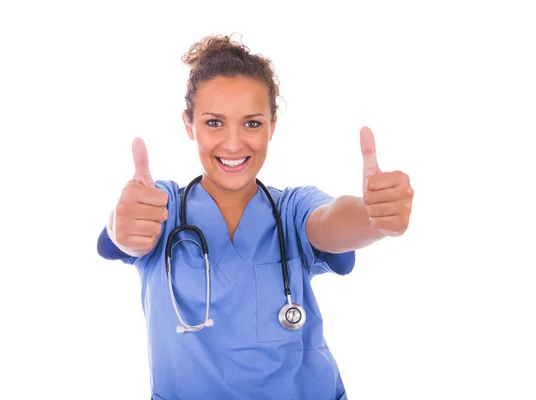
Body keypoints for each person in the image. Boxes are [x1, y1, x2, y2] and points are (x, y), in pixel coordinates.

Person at [97, 34, 414, 400]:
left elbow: (332, 221)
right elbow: (121, 233)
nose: (233, 144)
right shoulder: (162, 207)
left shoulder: (292, 209)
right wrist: (120, 224)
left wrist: (374, 216)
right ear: (189, 125)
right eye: (214, 123)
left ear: (272, 126)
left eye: (252, 123)